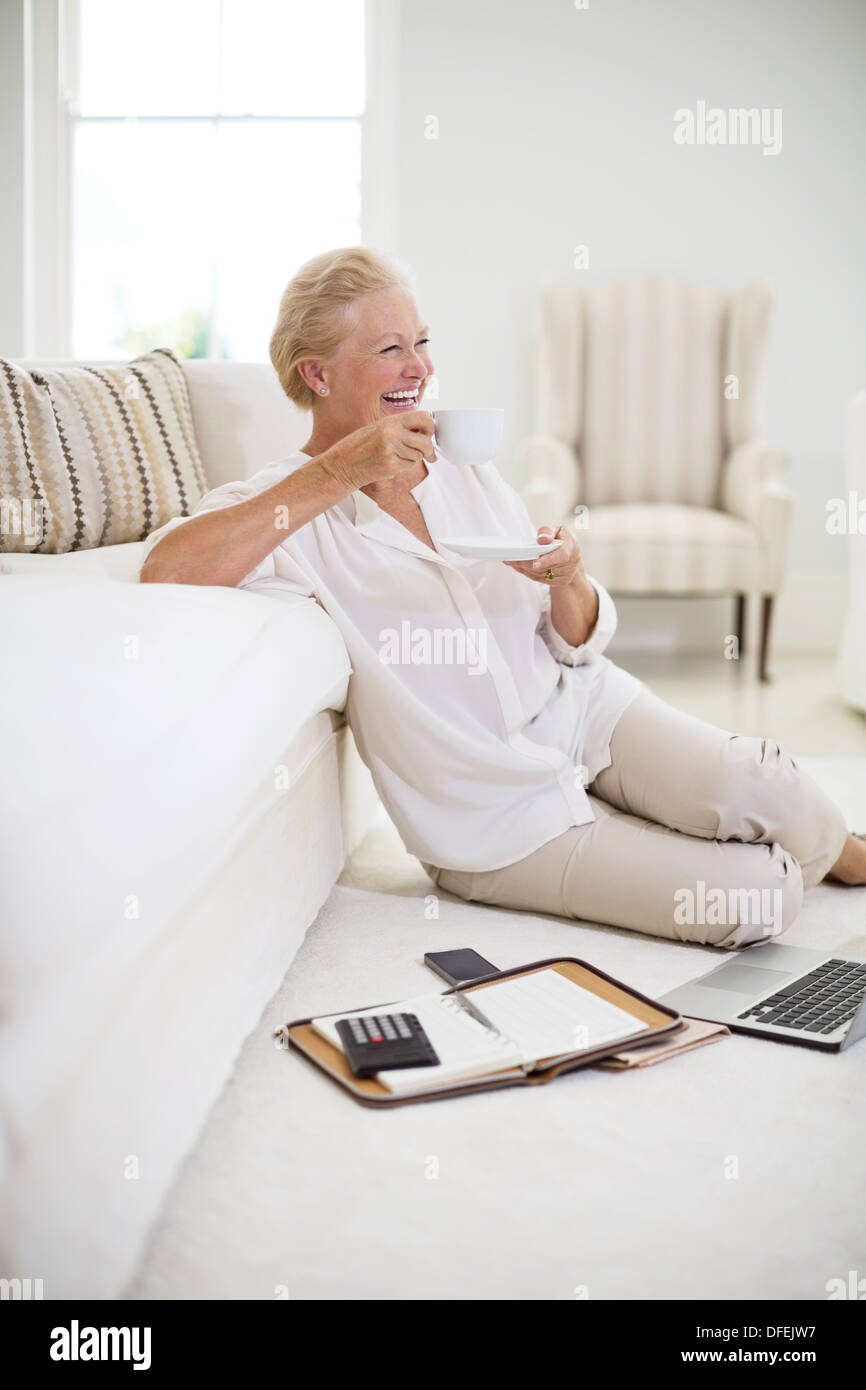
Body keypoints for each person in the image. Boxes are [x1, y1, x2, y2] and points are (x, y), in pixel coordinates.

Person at [140, 247, 864, 948]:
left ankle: (813, 842)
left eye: (422, 343)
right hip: (493, 819)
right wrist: (341, 469)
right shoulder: (284, 509)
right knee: (754, 897)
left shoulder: (457, 459)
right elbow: (170, 570)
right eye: (391, 348)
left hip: (585, 713)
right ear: (316, 374)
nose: (420, 368)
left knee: (770, 787)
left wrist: (569, 579)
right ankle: (727, 842)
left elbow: (573, 638)